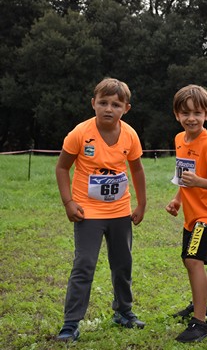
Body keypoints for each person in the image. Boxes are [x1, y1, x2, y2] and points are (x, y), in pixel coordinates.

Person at [55, 78, 147, 342]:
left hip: (120, 211)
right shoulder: (80, 134)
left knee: (122, 263)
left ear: (126, 108)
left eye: (116, 104)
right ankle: (71, 323)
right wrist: (68, 202)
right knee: (84, 264)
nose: (109, 109)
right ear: (93, 103)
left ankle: (124, 312)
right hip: (87, 212)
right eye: (103, 102)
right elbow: (62, 168)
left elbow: (137, 170)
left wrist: (141, 204)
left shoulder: (130, 134)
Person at [165, 85, 207, 343]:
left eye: (198, 112)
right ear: (176, 114)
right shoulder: (180, 140)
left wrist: (199, 182)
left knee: (194, 260)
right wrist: (177, 199)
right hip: (191, 215)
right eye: (185, 112)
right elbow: (184, 177)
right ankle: (197, 305)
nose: (191, 118)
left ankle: (201, 323)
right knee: (188, 260)